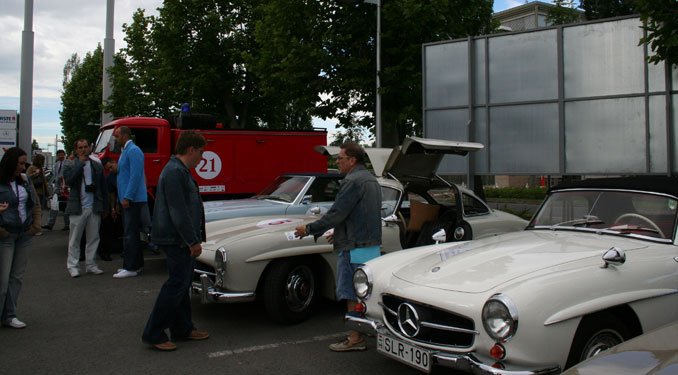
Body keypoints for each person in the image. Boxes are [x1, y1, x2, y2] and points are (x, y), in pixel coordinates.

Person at [294, 142, 382, 352]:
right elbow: (362, 214)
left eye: (340, 158)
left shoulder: (351, 181)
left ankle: (355, 338)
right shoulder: (371, 180)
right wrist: (339, 232)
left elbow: (336, 213)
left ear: (352, 160)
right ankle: (364, 332)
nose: (337, 161)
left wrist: (308, 229)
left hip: (353, 248)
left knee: (351, 293)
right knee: (366, 293)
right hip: (370, 246)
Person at [142, 130, 209, 351]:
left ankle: (183, 328)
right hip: (176, 239)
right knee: (176, 284)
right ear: (191, 149)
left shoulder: (178, 170)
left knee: (182, 284)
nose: (202, 157)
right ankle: (154, 333)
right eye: (201, 152)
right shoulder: (174, 172)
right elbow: (178, 212)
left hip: (176, 238)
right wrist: (192, 241)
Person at [0, 147, 42, 329]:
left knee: (16, 277)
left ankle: (10, 315)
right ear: (10, 162)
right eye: (20, 163)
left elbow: (35, 203)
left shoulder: (25, 180)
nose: (23, 167)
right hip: (6, 235)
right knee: (3, 279)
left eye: (25, 163)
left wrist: (35, 226)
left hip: (24, 234)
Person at [63, 139, 107, 278]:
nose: (83, 150)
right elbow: (69, 180)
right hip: (77, 207)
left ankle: (91, 264)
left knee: (93, 237)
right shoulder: (70, 164)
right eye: (80, 147)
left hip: (94, 206)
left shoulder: (96, 165)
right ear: (76, 150)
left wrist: (105, 206)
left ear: (89, 148)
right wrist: (80, 163)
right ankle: (73, 266)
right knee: (74, 239)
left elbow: (102, 187)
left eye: (85, 147)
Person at [113, 126, 149, 279]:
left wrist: (127, 197)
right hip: (130, 199)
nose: (115, 139)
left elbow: (135, 176)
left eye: (117, 136)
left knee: (130, 234)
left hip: (132, 200)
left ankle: (131, 267)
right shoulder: (127, 152)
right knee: (131, 233)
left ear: (125, 136)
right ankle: (135, 265)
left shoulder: (133, 151)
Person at [42, 149, 70, 231]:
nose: (61, 156)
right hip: (57, 188)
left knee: (65, 206)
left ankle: (67, 224)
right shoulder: (56, 164)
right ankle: (50, 224)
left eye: (62, 154)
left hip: (65, 187)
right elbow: (55, 175)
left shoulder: (68, 163)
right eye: (59, 155)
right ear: (57, 156)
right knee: (54, 206)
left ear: (64, 155)